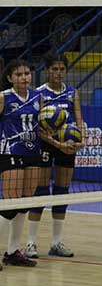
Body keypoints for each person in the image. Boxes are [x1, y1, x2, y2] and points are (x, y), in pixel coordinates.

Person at [24, 54, 86, 259]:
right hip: (45, 145)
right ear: (47, 70)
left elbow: (79, 119)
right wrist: (57, 143)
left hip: (67, 145)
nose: (58, 73)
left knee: (61, 192)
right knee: (40, 192)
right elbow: (37, 127)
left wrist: (82, 140)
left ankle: (56, 243)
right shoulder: (39, 93)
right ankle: (31, 243)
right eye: (54, 69)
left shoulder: (72, 92)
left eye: (62, 69)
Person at [0, 59, 40, 267]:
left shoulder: (37, 96)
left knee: (25, 203)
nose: (24, 77)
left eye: (27, 73)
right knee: (10, 205)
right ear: (10, 78)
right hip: (9, 153)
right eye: (19, 74)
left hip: (32, 152)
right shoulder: (3, 97)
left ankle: (12, 251)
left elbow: (41, 127)